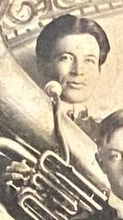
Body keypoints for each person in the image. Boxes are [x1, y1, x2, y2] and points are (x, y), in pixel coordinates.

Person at [34, 11, 111, 144]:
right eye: (66, 58)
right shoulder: (24, 123)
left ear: (98, 70)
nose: (78, 71)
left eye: (89, 60)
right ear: (43, 66)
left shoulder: (108, 133)